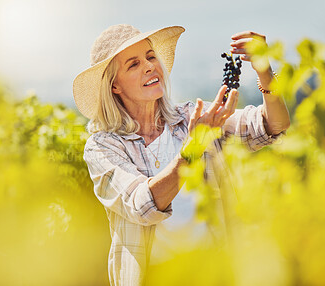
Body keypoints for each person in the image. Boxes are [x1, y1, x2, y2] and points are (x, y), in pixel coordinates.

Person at [73, 24, 290, 286]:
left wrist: (265, 71)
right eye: (133, 64)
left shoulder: (190, 117)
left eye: (151, 56)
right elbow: (143, 206)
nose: (149, 66)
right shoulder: (103, 147)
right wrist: (192, 150)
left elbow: (272, 126)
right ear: (115, 86)